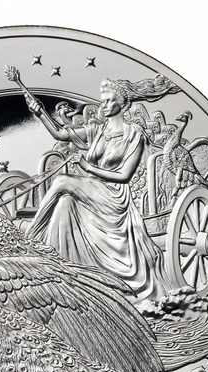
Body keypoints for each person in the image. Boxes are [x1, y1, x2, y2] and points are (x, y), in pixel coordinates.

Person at [25, 76, 179, 302]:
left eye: (109, 101)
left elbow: (124, 176)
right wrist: (40, 113)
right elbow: (60, 134)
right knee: (65, 203)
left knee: (62, 181)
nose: (103, 105)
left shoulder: (133, 135)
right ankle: (62, 271)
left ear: (123, 104)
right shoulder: (97, 130)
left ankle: (27, 242)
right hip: (90, 190)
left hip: (113, 195)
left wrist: (88, 167)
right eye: (103, 100)